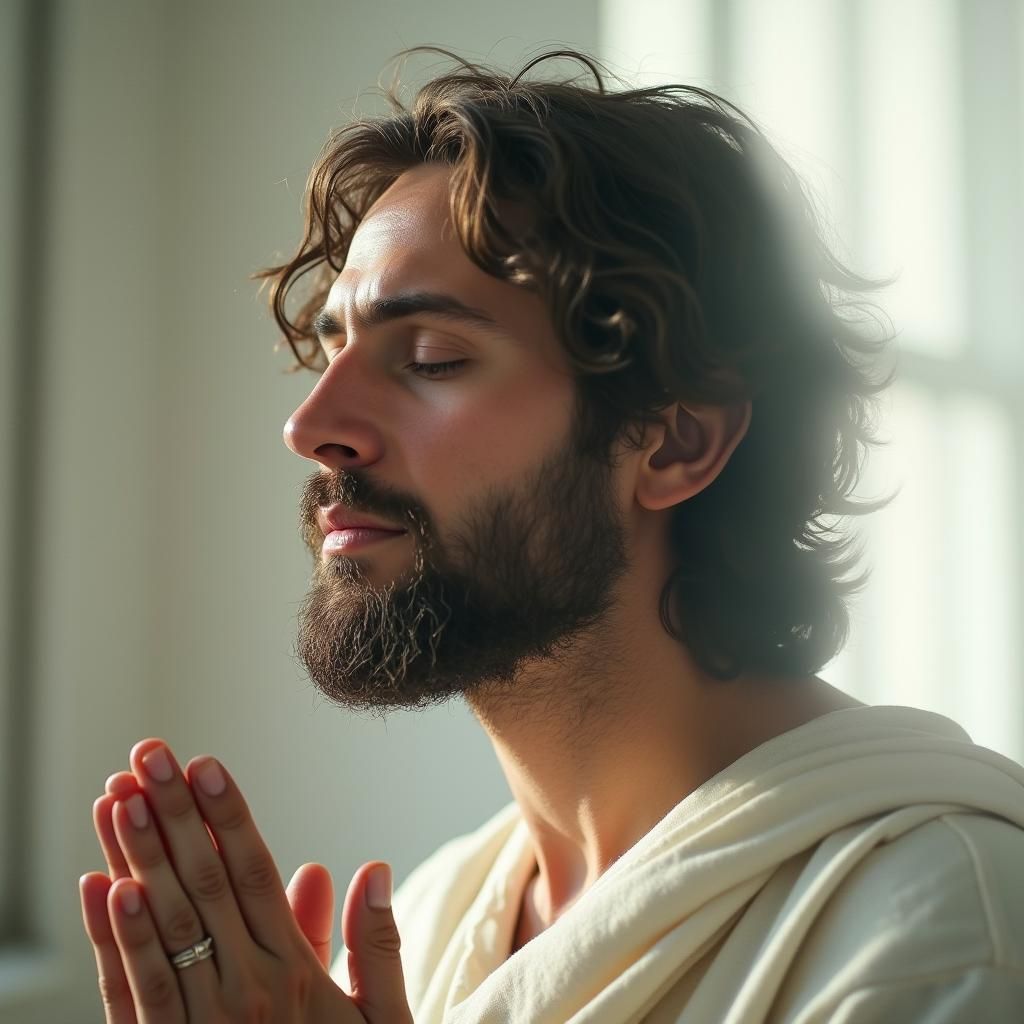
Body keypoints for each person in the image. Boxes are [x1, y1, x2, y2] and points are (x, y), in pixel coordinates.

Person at [82, 47, 1024, 1022]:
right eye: (330, 347)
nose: (311, 425)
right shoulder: (438, 922)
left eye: (433, 357)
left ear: (674, 441)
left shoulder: (940, 931)